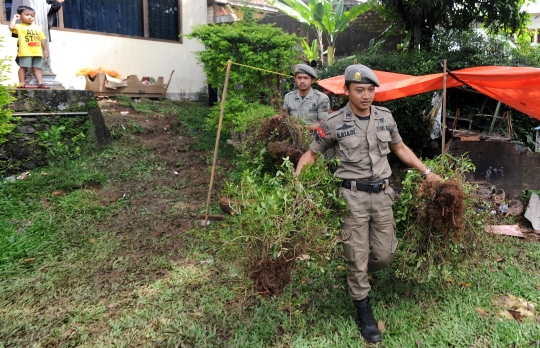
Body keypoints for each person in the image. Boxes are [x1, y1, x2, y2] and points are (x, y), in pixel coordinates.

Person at [295, 64, 442, 343]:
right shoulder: (334, 122)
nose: (365, 95)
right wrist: (296, 184)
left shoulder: (386, 118)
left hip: (383, 195)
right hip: (352, 199)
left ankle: (357, 269)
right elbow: (311, 155)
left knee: (384, 255)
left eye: (370, 90)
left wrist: (426, 172)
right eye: (359, 90)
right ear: (347, 90)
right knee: (357, 255)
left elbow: (400, 149)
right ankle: (364, 310)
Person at [278, 64, 330, 132]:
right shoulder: (288, 97)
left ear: (312, 80)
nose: (302, 81)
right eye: (299, 78)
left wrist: (303, 128)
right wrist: (278, 118)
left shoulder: (321, 98)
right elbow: (284, 118)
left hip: (314, 139)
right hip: (292, 137)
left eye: (306, 78)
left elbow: (323, 125)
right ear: (295, 79)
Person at [9, 5, 49, 89]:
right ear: (20, 15)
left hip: (37, 52)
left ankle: (40, 83)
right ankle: (22, 83)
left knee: (37, 68)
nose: (30, 17)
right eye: (26, 14)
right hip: (25, 51)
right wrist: (15, 18)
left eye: (32, 15)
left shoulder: (37, 28)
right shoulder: (20, 26)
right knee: (23, 67)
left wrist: (45, 50)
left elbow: (42, 39)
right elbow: (11, 27)